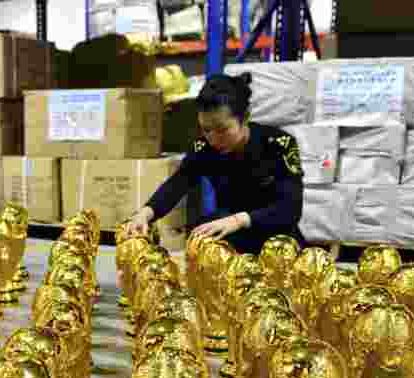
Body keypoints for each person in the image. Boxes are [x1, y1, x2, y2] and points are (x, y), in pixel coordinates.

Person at [124, 73, 304, 254]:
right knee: (201, 234)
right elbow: (177, 183)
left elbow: (291, 208)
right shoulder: (203, 148)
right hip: (232, 235)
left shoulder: (278, 144)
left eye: (222, 129)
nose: (214, 139)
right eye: (206, 129)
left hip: (277, 236)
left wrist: (238, 220)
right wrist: (146, 213)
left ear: (245, 118)